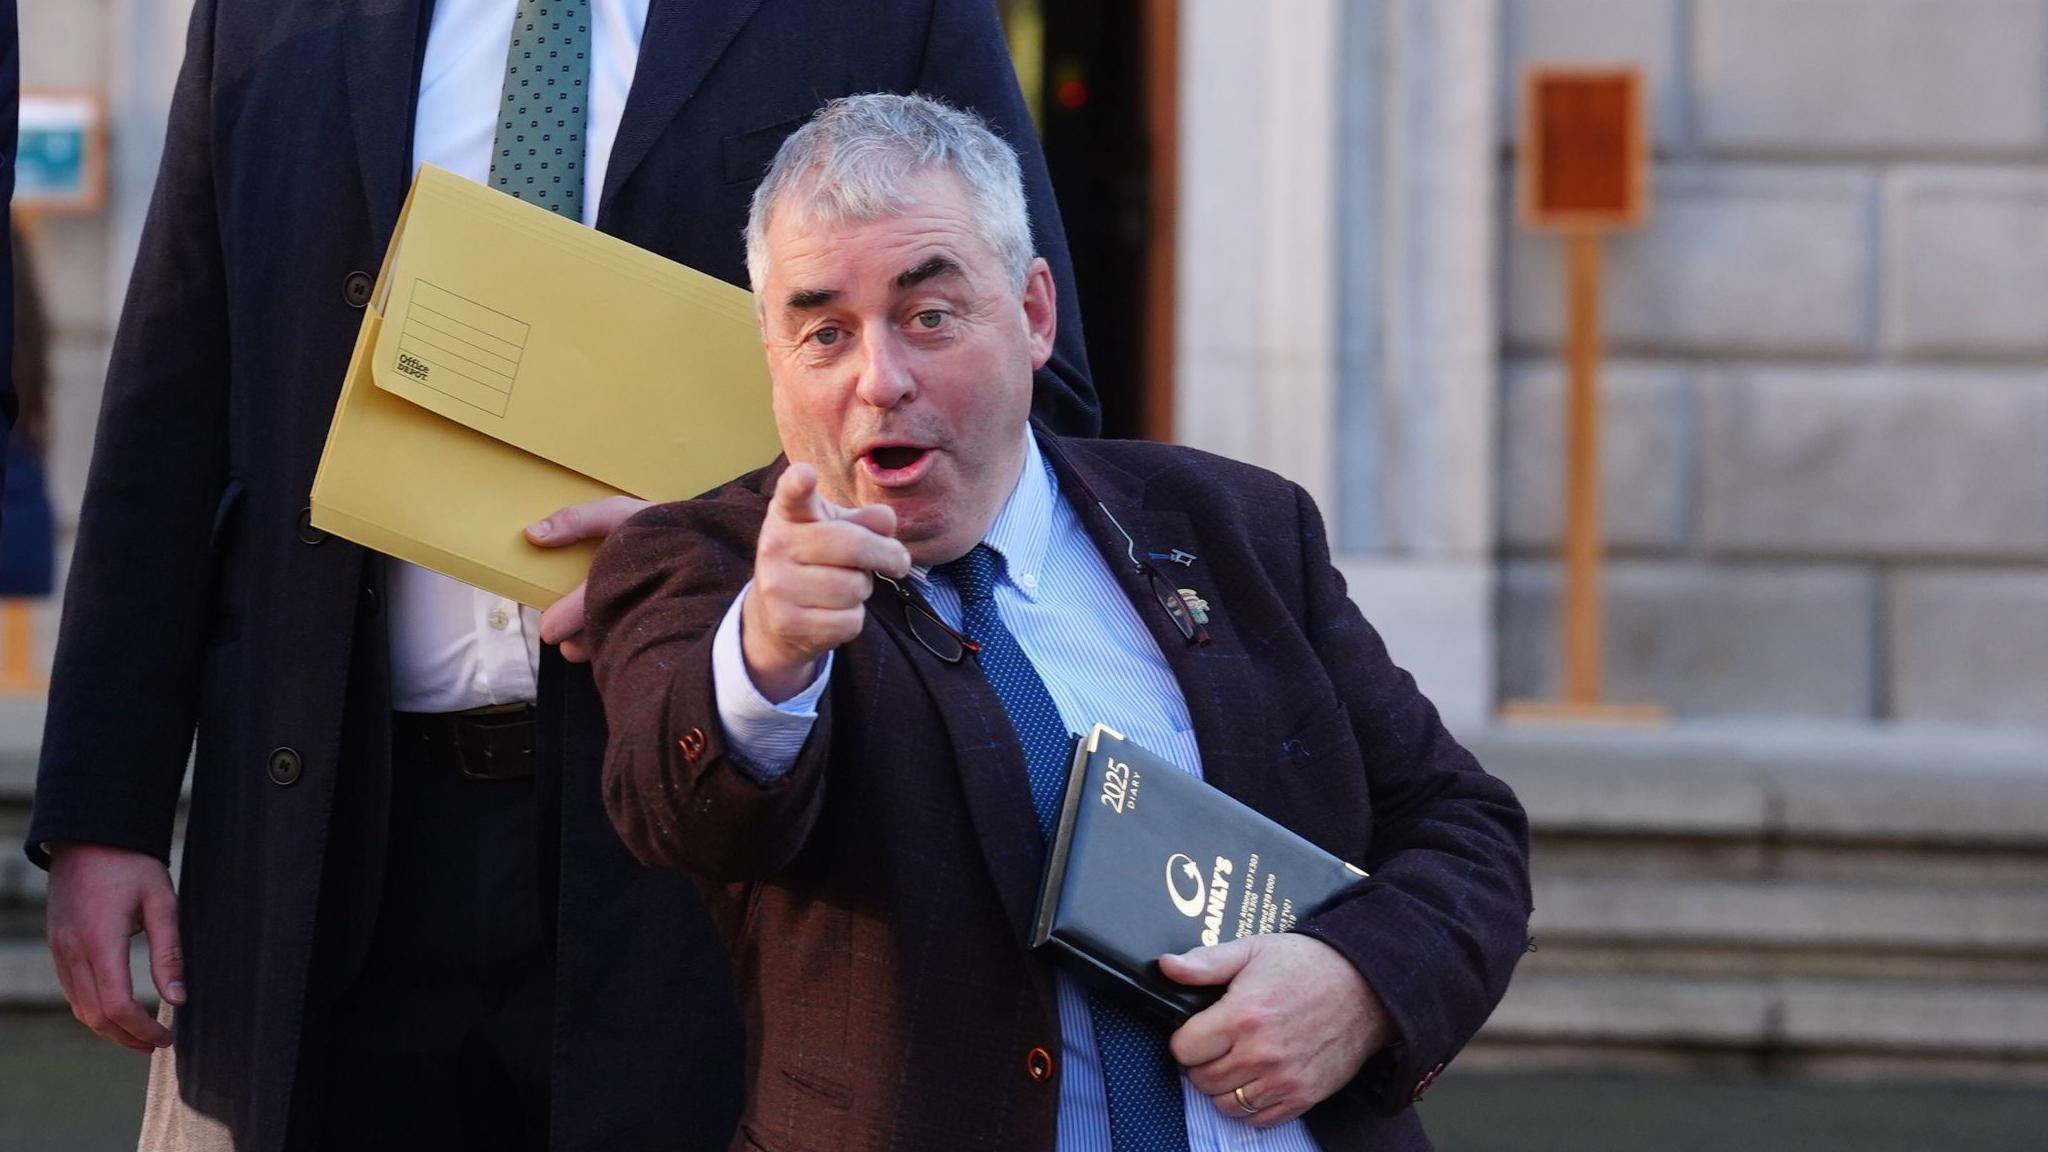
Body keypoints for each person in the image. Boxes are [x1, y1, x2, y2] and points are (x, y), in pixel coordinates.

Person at [26, 4, 1094, 1151]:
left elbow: (1027, 408)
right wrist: (104, 806)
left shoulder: (892, 15)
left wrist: (721, 554)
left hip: (703, 846)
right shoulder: (265, 15)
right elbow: (170, 408)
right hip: (336, 837)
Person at [585, 93, 1531, 1152]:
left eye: (928, 316)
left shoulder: (1234, 527)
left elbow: (1462, 826)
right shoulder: (708, 570)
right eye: (823, 332)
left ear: (1034, 315)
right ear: (771, 358)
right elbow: (682, 815)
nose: (878, 379)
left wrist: (1358, 981)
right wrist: (768, 655)